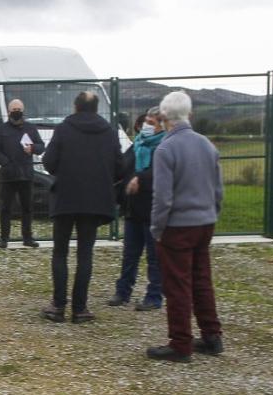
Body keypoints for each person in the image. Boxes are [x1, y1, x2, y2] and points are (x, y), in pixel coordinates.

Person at [147, 91, 224, 362]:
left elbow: (162, 197)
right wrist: (212, 213)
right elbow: (218, 190)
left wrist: (157, 229)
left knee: (177, 284)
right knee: (202, 279)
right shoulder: (207, 145)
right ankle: (212, 336)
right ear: (190, 114)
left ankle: (180, 344)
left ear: (164, 117)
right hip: (205, 222)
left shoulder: (166, 149)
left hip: (177, 226)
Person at [40, 91, 123, 323]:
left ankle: (58, 306)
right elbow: (119, 166)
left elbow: (48, 161)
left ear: (75, 106)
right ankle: (80, 308)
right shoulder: (108, 131)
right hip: (94, 201)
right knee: (85, 253)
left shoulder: (65, 128)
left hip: (66, 198)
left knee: (61, 252)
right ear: (97, 108)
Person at [108, 108, 164, 311]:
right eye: (146, 121)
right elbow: (121, 168)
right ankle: (123, 292)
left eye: (152, 122)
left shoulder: (164, 147)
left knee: (154, 257)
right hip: (132, 209)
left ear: (162, 125)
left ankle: (154, 296)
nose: (147, 125)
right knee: (130, 254)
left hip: (152, 209)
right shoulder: (137, 144)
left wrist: (141, 179)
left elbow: (160, 175)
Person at [0, 99, 45, 248]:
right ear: (8, 112)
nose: (16, 112)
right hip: (8, 175)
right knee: (5, 208)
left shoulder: (31, 128)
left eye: (19, 109)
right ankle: (4, 238)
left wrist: (33, 148)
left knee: (27, 208)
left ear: (23, 110)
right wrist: (6, 163)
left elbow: (41, 146)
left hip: (26, 174)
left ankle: (27, 238)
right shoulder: (1, 130)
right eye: (14, 109)